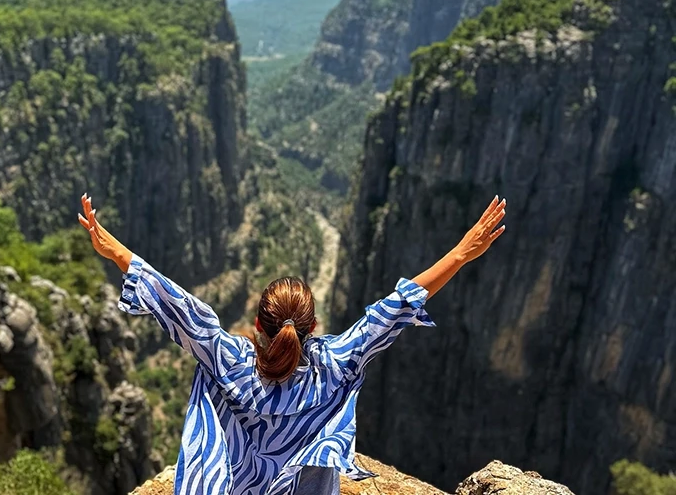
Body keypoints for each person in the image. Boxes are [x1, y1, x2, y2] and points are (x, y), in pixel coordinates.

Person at [78, 193, 507, 495]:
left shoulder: (226, 360)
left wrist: (115, 250)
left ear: (256, 324)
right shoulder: (336, 363)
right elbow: (392, 308)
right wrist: (460, 253)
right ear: (314, 326)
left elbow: (175, 303)